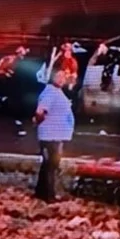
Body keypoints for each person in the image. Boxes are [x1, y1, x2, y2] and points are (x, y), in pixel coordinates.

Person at [33, 69, 75, 203]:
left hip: (56, 135)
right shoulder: (50, 92)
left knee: (48, 165)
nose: (62, 79)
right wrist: (38, 121)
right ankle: (49, 196)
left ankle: (40, 192)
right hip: (50, 136)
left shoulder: (57, 92)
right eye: (59, 76)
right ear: (53, 77)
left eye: (64, 76)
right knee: (51, 166)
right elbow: (40, 111)